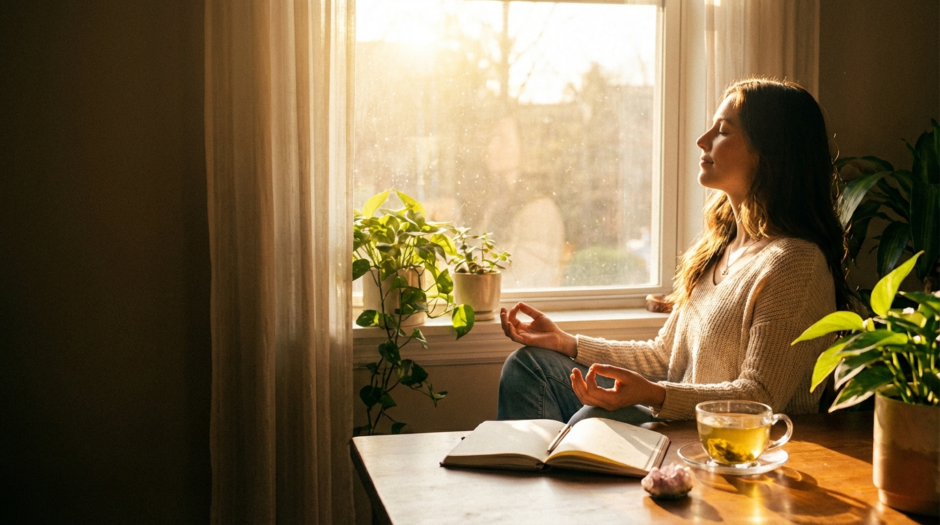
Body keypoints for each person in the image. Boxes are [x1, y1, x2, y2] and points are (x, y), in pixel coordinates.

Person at [496, 78, 851, 425]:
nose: (702, 140)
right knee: (528, 366)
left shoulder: (794, 263)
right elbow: (662, 357)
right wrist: (567, 342)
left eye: (723, 131)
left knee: (594, 418)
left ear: (771, 152)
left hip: (723, 443)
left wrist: (654, 395)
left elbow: (758, 397)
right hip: (672, 419)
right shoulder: (721, 249)